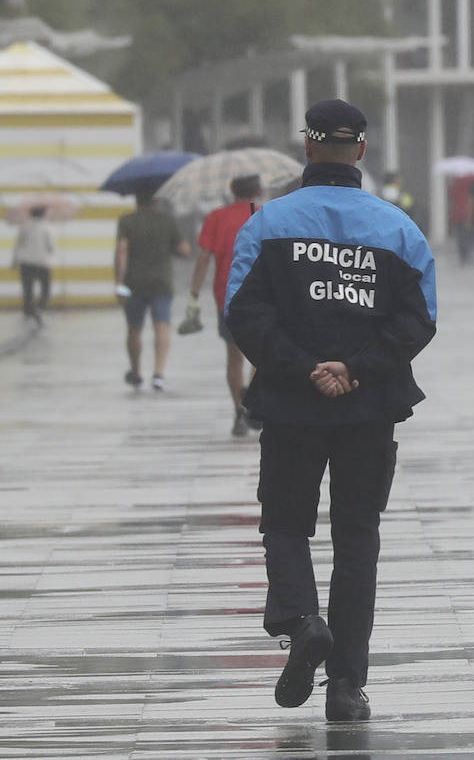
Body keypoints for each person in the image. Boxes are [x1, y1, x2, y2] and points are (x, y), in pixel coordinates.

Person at [225, 99, 437, 722]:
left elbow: (244, 311)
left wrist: (302, 367)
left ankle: (300, 618)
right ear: (362, 152)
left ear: (308, 148)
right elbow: (419, 319)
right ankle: (346, 684)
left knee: (285, 523)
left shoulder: (267, 224)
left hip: (292, 406)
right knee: (358, 537)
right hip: (370, 409)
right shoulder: (399, 228)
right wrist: (358, 368)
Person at [190, 175, 264, 436]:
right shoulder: (264, 215)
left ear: (232, 191)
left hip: (227, 295)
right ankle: (252, 399)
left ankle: (238, 412)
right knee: (262, 355)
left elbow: (203, 257)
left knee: (234, 356)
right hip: (262, 295)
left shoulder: (216, 218)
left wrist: (194, 292)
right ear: (258, 189)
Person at [115, 191, 191, 390]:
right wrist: (171, 247)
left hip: (134, 283)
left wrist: (119, 283)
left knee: (134, 329)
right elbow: (184, 251)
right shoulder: (167, 221)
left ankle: (136, 372)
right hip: (161, 283)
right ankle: (158, 374)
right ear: (156, 200)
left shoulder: (126, 221)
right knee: (162, 326)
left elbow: (122, 251)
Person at [13, 205, 54, 325]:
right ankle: (40, 307)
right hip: (42, 262)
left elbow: (18, 244)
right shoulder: (46, 227)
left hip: (26, 262)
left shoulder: (24, 226)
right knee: (45, 288)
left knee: (28, 289)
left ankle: (28, 310)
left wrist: (14, 261)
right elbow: (51, 247)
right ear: (43, 214)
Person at [448, 173, 474, 265]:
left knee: (460, 237)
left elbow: (451, 195)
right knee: (469, 235)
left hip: (458, 213)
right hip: (470, 213)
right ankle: (468, 254)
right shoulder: (472, 180)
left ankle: (462, 255)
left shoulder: (455, 182)